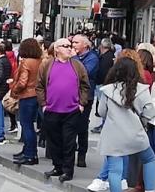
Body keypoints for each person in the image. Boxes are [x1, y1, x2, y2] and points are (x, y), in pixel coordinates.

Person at [97, 57, 155, 192]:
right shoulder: (141, 89)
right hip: (135, 135)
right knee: (149, 159)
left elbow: (102, 112)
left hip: (113, 136)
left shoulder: (107, 90)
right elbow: (148, 112)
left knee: (114, 170)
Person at [36, 38, 90, 183]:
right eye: (65, 46)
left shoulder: (77, 65)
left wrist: (82, 103)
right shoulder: (47, 65)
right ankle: (58, 166)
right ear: (57, 49)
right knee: (54, 141)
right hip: (52, 110)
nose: (69, 48)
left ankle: (68, 170)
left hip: (71, 111)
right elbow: (40, 85)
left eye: (69, 45)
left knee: (69, 142)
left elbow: (85, 85)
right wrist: (43, 104)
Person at [11, 38, 43, 165]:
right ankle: (28, 151)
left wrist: (14, 89)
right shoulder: (40, 61)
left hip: (27, 95)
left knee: (26, 125)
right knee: (30, 125)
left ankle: (30, 154)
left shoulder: (26, 62)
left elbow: (23, 82)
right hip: (37, 95)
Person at [72, 34, 99, 168]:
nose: (73, 44)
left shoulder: (92, 58)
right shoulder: (74, 57)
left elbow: (83, 74)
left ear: (85, 45)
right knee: (70, 126)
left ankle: (82, 155)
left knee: (82, 127)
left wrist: (73, 62)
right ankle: (69, 155)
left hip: (85, 96)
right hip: (71, 95)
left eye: (76, 42)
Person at [91, 38, 116, 134]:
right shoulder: (109, 56)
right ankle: (103, 124)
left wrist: (98, 81)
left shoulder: (106, 58)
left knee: (104, 106)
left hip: (103, 84)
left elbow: (103, 72)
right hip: (103, 84)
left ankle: (104, 125)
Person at [4, 40, 19, 133]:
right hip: (13, 81)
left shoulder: (5, 57)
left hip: (9, 82)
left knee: (9, 104)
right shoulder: (14, 55)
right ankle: (15, 124)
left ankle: (13, 124)